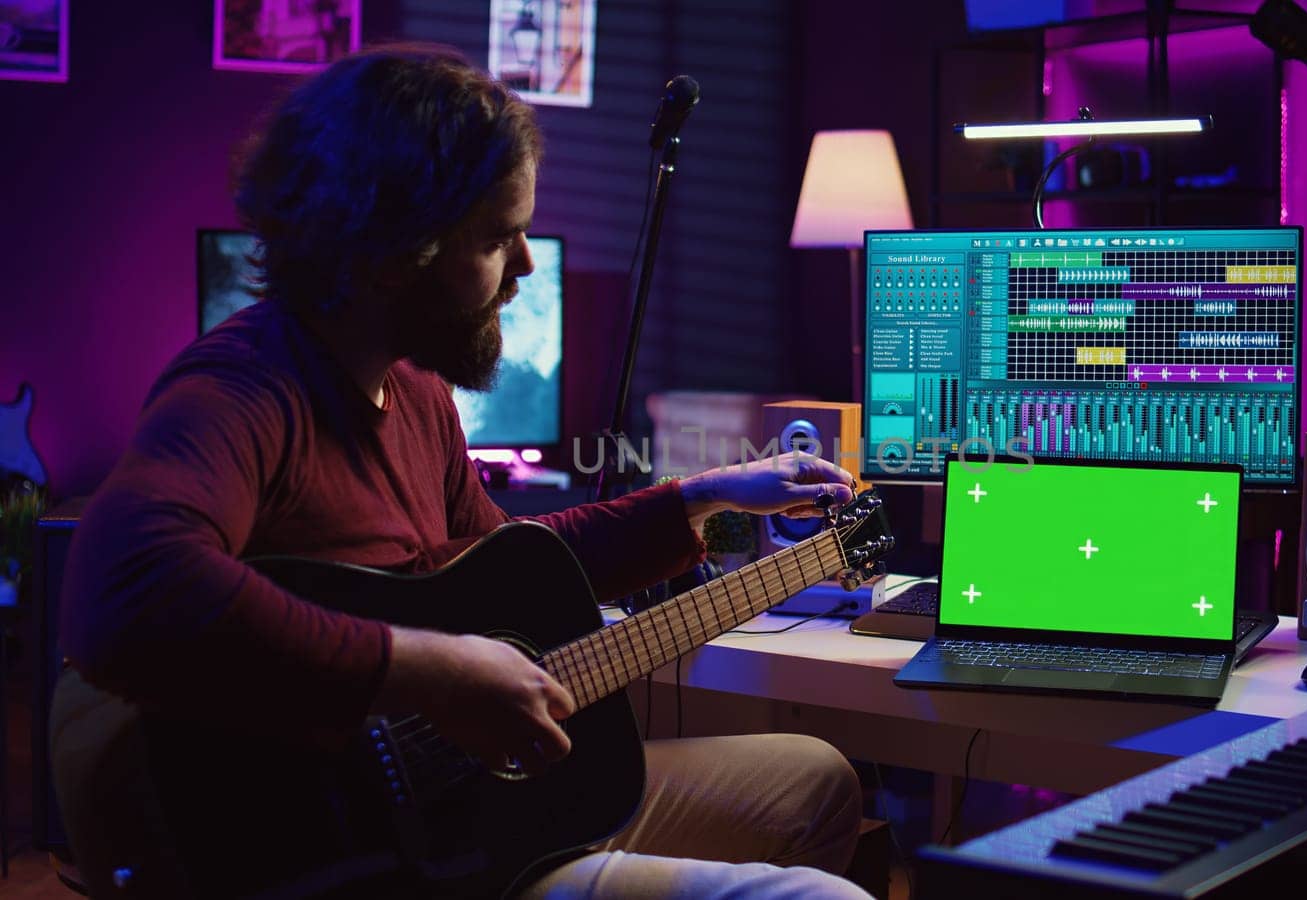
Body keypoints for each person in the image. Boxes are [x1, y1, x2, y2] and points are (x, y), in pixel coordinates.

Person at [56, 43, 872, 899]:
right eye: (498, 237)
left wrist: (700, 499)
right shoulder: (244, 390)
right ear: (393, 247)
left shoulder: (414, 392)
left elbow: (509, 563)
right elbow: (127, 591)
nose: (523, 267)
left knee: (816, 780)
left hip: (474, 799)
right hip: (356, 858)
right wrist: (429, 674)